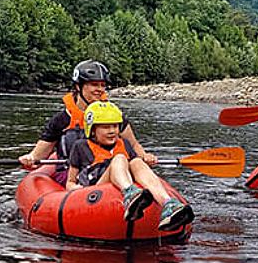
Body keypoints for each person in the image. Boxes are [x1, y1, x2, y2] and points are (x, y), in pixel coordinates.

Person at [18, 60, 156, 184]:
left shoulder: (113, 116)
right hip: (72, 174)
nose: (100, 90)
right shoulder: (62, 120)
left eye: (103, 85)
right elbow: (38, 155)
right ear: (78, 87)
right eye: (94, 85)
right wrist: (30, 158)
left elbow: (133, 144)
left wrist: (145, 156)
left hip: (108, 170)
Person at [66, 101, 193, 230]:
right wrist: (75, 189)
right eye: (105, 127)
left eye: (115, 126)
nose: (112, 131)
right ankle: (130, 193)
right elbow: (70, 181)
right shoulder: (80, 146)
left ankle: (168, 203)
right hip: (96, 187)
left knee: (136, 162)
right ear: (92, 130)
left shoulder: (124, 144)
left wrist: (146, 158)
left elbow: (137, 168)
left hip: (122, 182)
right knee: (120, 158)